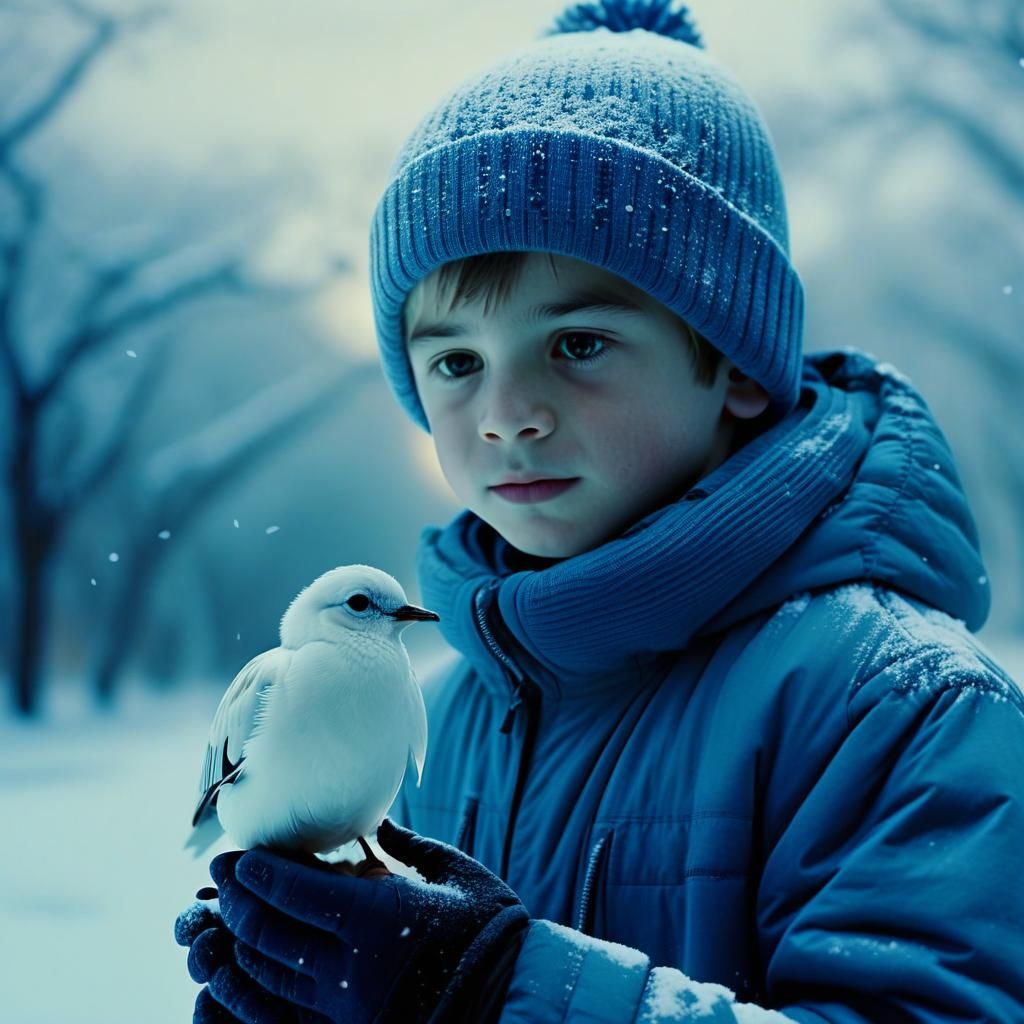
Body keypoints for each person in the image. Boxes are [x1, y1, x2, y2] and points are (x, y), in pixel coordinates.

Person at [175, 1, 1024, 1021]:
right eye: (456, 362)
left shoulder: (900, 706)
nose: (507, 414)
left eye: (577, 344)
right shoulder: (451, 710)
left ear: (735, 364)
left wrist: (492, 991)